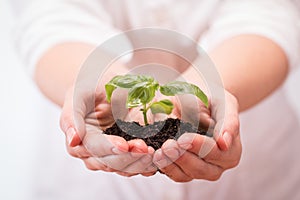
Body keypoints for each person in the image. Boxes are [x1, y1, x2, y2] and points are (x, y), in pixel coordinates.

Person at [12, 0, 300, 199]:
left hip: (258, 176)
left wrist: (204, 87)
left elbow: (270, 10)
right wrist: (96, 80)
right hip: (88, 189)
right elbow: (50, 15)